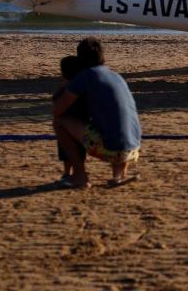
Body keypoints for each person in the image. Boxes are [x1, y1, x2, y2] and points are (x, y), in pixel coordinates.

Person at [53, 37, 142, 188]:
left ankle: (80, 176)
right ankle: (118, 175)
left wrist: (68, 85)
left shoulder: (85, 77)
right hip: (133, 149)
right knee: (116, 125)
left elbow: (57, 110)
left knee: (60, 122)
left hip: (112, 150)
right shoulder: (116, 76)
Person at [52, 55, 86, 184]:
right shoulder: (79, 87)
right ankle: (72, 172)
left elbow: (56, 105)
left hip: (69, 124)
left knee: (66, 149)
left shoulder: (67, 89)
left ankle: (68, 173)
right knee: (78, 150)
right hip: (79, 125)